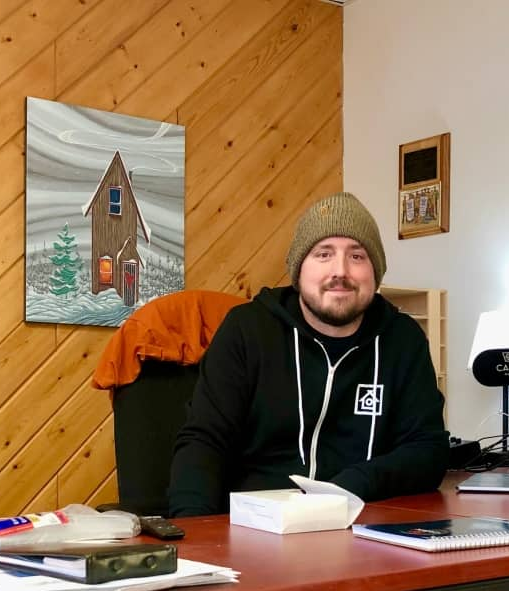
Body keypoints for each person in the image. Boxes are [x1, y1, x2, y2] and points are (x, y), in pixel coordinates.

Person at [168, 192, 448, 516]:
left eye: (357, 256)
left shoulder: (403, 339)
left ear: (375, 273)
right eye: (323, 254)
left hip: (362, 531)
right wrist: (195, 536)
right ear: (299, 270)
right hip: (255, 532)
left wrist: (354, 484)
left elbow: (428, 449)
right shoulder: (248, 330)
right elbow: (204, 441)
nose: (340, 271)